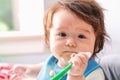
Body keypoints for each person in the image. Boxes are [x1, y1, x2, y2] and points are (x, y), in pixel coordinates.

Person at [37, 0, 109, 80]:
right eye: (62, 34)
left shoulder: (93, 73)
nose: (71, 43)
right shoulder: (54, 59)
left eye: (81, 36)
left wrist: (75, 76)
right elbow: (48, 68)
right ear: (48, 38)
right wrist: (29, 70)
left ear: (97, 44)